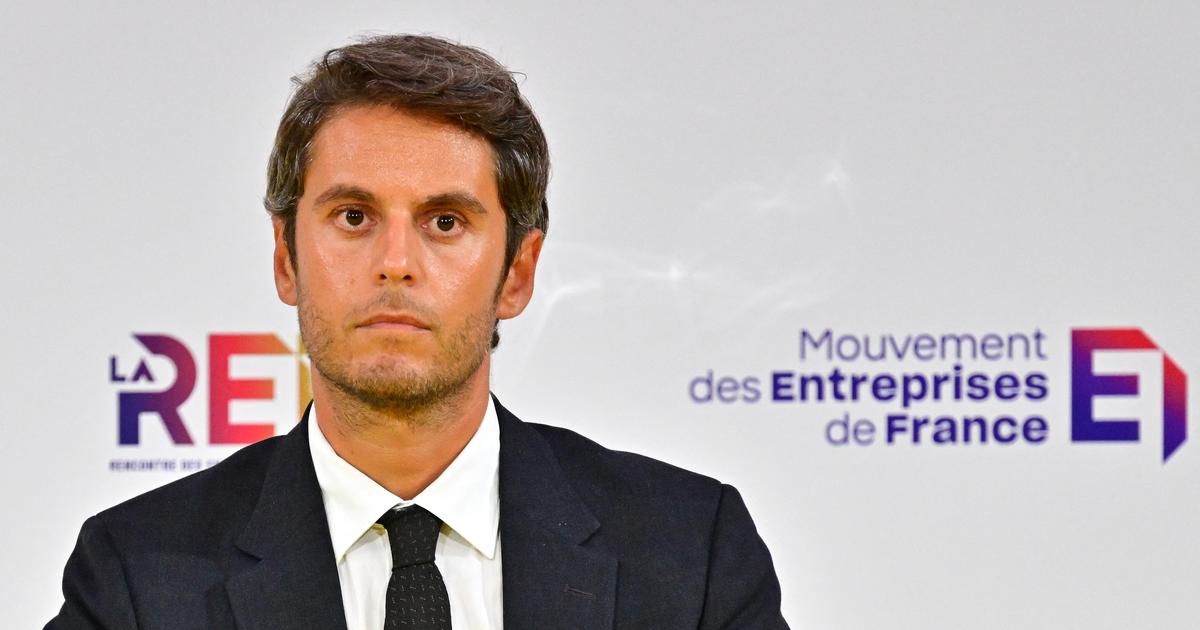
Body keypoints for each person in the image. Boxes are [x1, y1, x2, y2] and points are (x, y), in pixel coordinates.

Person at [47, 34, 788, 629]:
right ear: (285, 259)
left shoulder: (690, 553)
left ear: (518, 273)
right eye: (354, 217)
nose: (395, 262)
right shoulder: (136, 575)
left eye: (445, 221)